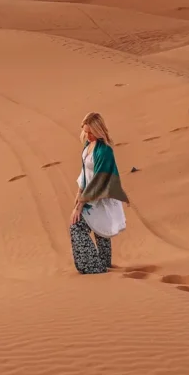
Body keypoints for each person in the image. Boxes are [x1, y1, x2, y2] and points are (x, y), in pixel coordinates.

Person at [69, 112, 129, 275]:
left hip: (100, 196)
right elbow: (85, 174)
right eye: (85, 131)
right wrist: (78, 195)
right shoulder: (88, 147)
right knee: (100, 231)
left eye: (91, 132)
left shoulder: (105, 152)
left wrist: (80, 205)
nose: (87, 135)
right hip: (89, 193)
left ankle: (93, 267)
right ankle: (103, 263)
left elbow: (98, 180)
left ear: (99, 130)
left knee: (77, 226)